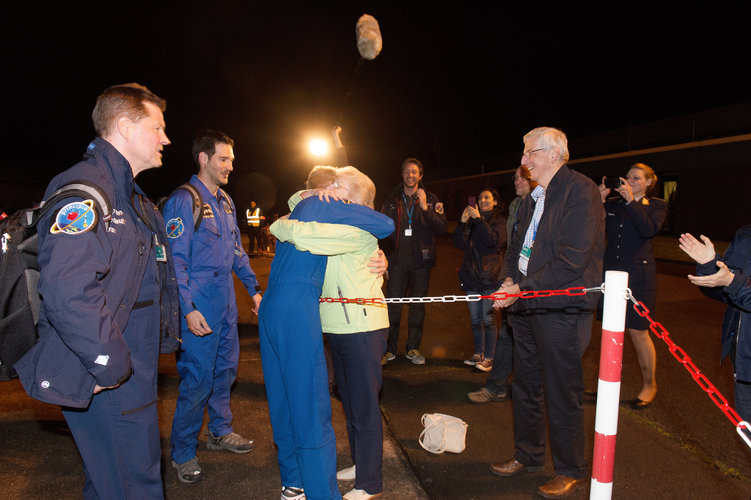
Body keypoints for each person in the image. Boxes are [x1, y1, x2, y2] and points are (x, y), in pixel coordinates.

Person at [14, 83, 180, 499]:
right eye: (157, 127)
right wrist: (108, 364)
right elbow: (67, 289)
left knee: (111, 482)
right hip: (109, 372)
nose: (166, 138)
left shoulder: (130, 195)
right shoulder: (89, 190)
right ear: (124, 126)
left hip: (128, 370)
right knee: (133, 485)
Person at [259, 166, 393, 500]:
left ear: (352, 200)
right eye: (330, 184)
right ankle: (357, 467)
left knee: (362, 405)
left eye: (339, 185)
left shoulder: (352, 230)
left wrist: (282, 225)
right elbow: (305, 200)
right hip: (334, 323)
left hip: (363, 324)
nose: (330, 187)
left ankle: (370, 481)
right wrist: (307, 196)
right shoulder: (329, 215)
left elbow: (305, 237)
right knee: (347, 401)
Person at [491, 127, 604, 499]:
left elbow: (571, 261)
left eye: (530, 153)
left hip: (561, 308)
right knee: (525, 386)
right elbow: (515, 250)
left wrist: (520, 289)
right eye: (523, 154)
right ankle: (528, 455)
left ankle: (571, 470)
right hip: (525, 306)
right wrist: (509, 280)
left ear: (554, 154)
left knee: (561, 391)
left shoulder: (580, 191)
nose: (524, 161)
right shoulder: (529, 200)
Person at [163, 129, 262, 484]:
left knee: (225, 372)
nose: (230, 166)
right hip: (198, 309)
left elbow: (237, 251)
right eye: (223, 159)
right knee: (198, 380)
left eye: (232, 160)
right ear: (203, 159)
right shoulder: (183, 200)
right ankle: (183, 452)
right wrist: (187, 309)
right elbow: (174, 262)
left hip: (225, 306)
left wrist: (253, 288)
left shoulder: (225, 201)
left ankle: (219, 431)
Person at [599, 163, 667, 409]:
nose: (629, 181)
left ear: (649, 181)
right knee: (609, 328)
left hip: (639, 275)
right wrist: (599, 199)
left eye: (637, 178)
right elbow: (591, 225)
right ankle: (609, 381)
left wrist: (631, 202)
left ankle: (650, 384)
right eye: (627, 177)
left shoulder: (657, 205)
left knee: (638, 331)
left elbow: (648, 229)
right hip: (612, 272)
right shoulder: (614, 204)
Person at [467, 166, 537, 403]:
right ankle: (496, 386)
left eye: (521, 177)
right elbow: (514, 245)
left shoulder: (547, 203)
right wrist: (509, 276)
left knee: (534, 339)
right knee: (508, 332)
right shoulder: (518, 205)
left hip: (538, 282)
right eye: (514, 177)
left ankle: (533, 392)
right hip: (516, 276)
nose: (516, 180)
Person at [679, 227, 751, 421]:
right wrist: (710, 266)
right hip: (744, 361)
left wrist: (731, 281)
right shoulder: (745, 235)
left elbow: (733, 283)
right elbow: (725, 290)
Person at [381, 158, 447, 365]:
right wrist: (385, 261)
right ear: (402, 175)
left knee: (417, 307)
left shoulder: (432, 198)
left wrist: (426, 208)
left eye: (414, 172)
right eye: (407, 172)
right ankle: (389, 349)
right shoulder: (392, 199)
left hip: (421, 262)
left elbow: (442, 229)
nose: (410, 175)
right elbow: (382, 233)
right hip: (397, 262)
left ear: (421, 175)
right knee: (393, 306)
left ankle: (413, 348)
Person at [453, 189, 507, 371]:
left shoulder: (500, 221)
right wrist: (462, 222)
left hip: (491, 278)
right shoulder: (471, 221)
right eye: (480, 198)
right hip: (471, 278)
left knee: (488, 319)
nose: (482, 200)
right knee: (475, 319)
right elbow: (459, 244)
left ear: (495, 202)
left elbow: (492, 240)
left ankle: (490, 357)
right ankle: (479, 353)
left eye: (487, 198)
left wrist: (478, 219)